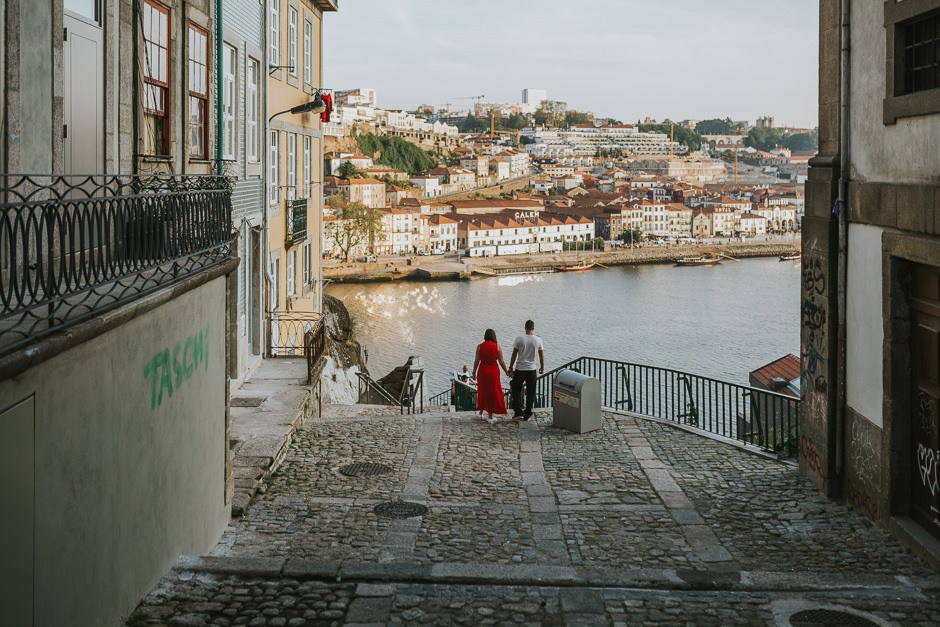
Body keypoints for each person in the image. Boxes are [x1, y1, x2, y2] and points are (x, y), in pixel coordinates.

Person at [508, 319, 545, 421]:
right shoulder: (538, 340)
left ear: (525, 328)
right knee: (531, 392)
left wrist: (510, 367)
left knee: (515, 389)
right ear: (533, 328)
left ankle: (519, 412)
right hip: (532, 369)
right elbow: (541, 356)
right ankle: (527, 414)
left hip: (520, 368)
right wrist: (542, 367)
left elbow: (514, 354)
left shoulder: (519, 338)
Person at [472, 329, 510, 425]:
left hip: (483, 371)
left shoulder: (480, 346)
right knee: (492, 393)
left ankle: (480, 413)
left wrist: (473, 372)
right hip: (493, 373)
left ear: (485, 336)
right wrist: (506, 371)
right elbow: (501, 361)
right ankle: (490, 416)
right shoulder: (497, 347)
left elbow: (477, 360)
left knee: (482, 391)